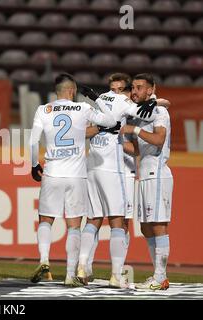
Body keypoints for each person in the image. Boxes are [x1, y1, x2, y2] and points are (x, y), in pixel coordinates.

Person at [29, 73, 116, 286]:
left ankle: (44, 259)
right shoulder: (83, 109)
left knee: (46, 220)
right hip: (77, 175)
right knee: (74, 225)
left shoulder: (43, 110)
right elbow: (112, 121)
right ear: (73, 90)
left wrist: (33, 165)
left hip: (52, 173)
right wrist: (97, 99)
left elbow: (32, 141)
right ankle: (69, 275)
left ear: (56, 91)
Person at [78, 73, 162, 288]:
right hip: (115, 169)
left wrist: (118, 133)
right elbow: (85, 132)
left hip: (115, 168)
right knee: (115, 221)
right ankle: (114, 272)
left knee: (102, 220)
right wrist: (109, 130)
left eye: (120, 89)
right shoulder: (124, 105)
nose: (116, 93)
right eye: (113, 89)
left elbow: (136, 148)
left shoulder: (108, 104)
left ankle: (86, 265)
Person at [121, 73, 173, 290]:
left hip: (158, 174)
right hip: (145, 176)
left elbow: (159, 139)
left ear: (151, 89)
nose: (135, 91)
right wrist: (118, 139)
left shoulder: (160, 112)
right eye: (133, 87)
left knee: (158, 225)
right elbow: (137, 148)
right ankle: (158, 275)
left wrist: (135, 130)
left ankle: (161, 277)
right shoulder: (141, 113)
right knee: (145, 227)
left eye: (140, 87)